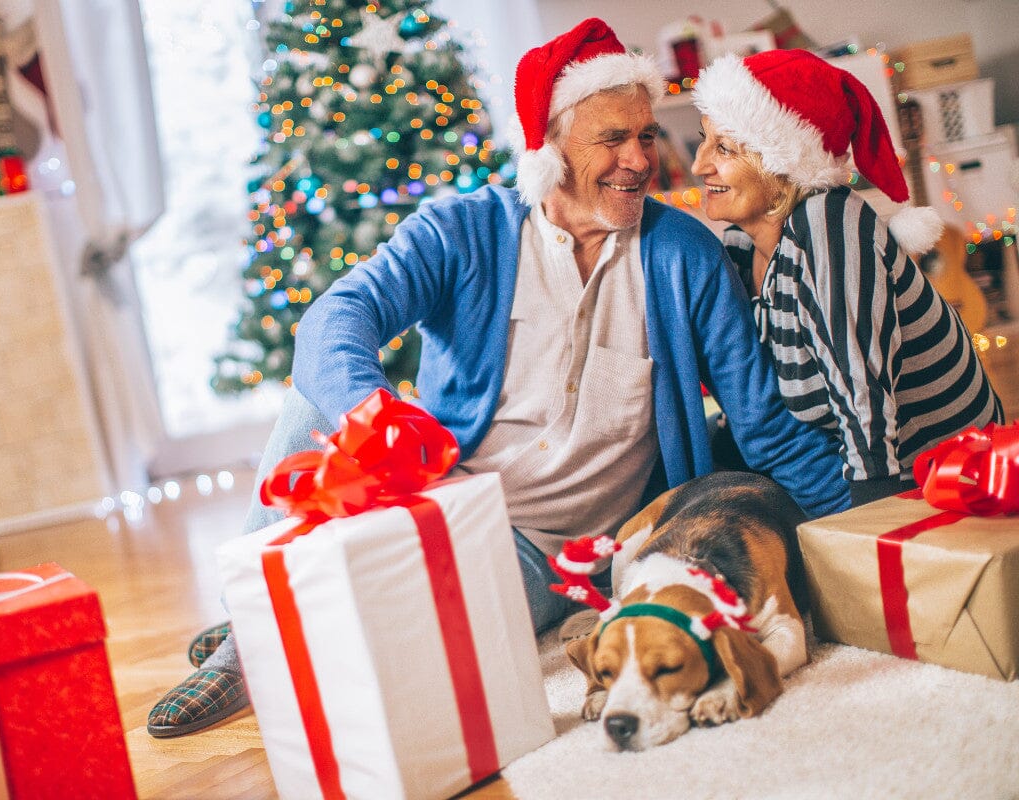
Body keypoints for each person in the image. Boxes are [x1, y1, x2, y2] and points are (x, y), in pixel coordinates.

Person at [147, 18, 851, 739]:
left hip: (551, 550)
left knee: (397, 636)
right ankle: (246, 641)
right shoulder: (464, 230)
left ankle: (276, 617)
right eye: (613, 139)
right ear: (549, 145)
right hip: (439, 497)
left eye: (645, 135)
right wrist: (379, 416)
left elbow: (765, 423)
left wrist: (863, 528)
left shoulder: (684, 257)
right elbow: (335, 318)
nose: (639, 159)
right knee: (309, 403)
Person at [690, 49, 1004, 506]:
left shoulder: (828, 224)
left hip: (951, 478)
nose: (699, 165)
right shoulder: (741, 246)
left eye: (723, 148)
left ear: (781, 163)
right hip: (881, 464)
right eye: (704, 140)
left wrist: (866, 525)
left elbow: (862, 389)